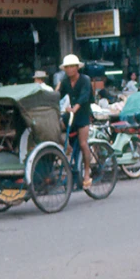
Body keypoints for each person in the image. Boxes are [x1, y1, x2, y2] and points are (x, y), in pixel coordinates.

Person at [55, 54, 93, 189]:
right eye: (67, 67)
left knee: (83, 144)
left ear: (77, 67)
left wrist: (74, 108)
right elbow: (57, 95)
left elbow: (84, 97)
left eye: (72, 66)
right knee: (55, 130)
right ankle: (69, 150)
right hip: (70, 115)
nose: (70, 69)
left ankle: (87, 173)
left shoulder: (85, 80)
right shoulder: (65, 82)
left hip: (82, 115)